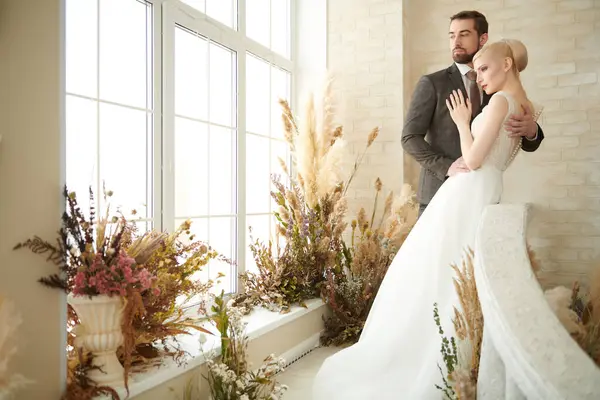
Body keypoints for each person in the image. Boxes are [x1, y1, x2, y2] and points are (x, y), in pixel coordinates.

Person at [311, 39, 539, 399]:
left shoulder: (499, 101)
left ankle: (434, 358)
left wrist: (463, 122)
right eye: (476, 70)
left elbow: (474, 158)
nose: (478, 77)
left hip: (469, 189)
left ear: (508, 64)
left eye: (484, 68)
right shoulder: (528, 106)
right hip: (485, 190)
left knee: (441, 273)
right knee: (446, 272)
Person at [401, 10, 544, 217]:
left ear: (483, 38)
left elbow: (519, 140)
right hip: (439, 193)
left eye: (464, 34)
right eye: (452, 35)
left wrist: (532, 131)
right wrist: (447, 167)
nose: (456, 41)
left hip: (482, 197)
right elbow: (409, 137)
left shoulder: (498, 86)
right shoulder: (433, 83)